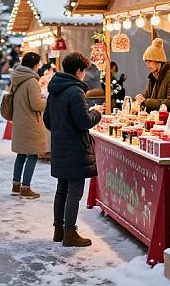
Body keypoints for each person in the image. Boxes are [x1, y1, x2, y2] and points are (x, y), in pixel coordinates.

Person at [45, 52, 103, 247]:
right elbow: (84, 121)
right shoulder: (75, 92)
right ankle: (70, 233)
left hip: (60, 145)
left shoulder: (55, 89)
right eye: (84, 70)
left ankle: (58, 230)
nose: (85, 74)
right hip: (76, 147)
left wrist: (62, 129)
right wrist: (96, 113)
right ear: (78, 70)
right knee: (74, 192)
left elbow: (47, 119)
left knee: (62, 189)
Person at [10, 52, 48, 199]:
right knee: (32, 154)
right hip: (30, 123)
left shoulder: (17, 77)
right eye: (38, 63)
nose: (39, 66)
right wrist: (47, 101)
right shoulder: (31, 81)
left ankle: (16, 185)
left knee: (21, 154)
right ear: (34, 64)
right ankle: (26, 187)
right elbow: (36, 105)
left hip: (20, 120)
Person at [135, 38, 170, 111]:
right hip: (155, 118)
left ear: (159, 60)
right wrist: (141, 97)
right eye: (146, 62)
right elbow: (148, 95)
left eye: (150, 61)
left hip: (168, 119)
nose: (147, 65)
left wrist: (146, 102)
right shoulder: (153, 76)